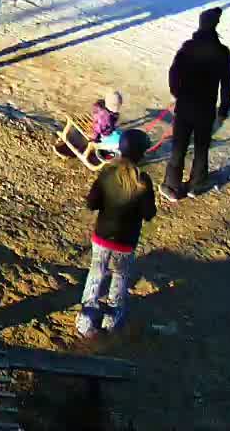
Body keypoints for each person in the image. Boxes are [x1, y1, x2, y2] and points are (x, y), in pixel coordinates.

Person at [75, 128, 155, 338]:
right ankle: (111, 320)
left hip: (102, 236)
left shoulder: (107, 173)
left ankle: (85, 322)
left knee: (96, 273)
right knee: (119, 277)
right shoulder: (143, 180)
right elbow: (149, 214)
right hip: (125, 242)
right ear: (141, 154)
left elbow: (91, 203)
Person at [163, 6, 230, 201]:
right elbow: (227, 83)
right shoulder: (222, 52)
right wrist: (223, 110)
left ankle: (172, 185)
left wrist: (177, 93)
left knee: (179, 145)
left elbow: (173, 73)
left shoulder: (188, 47)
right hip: (206, 109)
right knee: (202, 147)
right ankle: (196, 184)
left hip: (185, 105)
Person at [90, 89, 124, 154]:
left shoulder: (103, 108)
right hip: (102, 135)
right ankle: (108, 150)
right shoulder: (105, 117)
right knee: (118, 143)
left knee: (120, 134)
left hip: (106, 130)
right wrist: (95, 139)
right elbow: (97, 129)